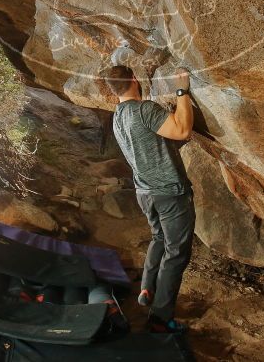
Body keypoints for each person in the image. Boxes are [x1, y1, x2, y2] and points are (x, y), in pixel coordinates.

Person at [105, 65, 195, 333]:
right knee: (176, 253)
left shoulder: (117, 116)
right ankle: (159, 319)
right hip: (168, 192)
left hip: (144, 192)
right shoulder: (144, 110)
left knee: (158, 238)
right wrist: (182, 90)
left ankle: (146, 289)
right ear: (134, 79)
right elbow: (182, 131)